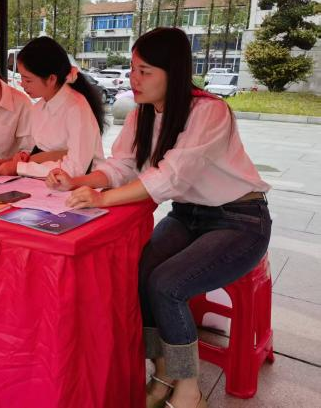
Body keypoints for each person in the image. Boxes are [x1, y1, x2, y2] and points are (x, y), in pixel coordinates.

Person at [46, 28, 271, 408]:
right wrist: (79, 181)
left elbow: (171, 177)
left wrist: (103, 198)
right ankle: (163, 369)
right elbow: (122, 165)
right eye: (133, 69)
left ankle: (188, 389)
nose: (133, 79)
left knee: (167, 284)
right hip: (188, 215)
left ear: (173, 72)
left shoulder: (209, 112)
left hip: (239, 219)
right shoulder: (142, 114)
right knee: (139, 271)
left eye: (144, 71)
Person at [0, 36, 106, 177]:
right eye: (21, 78)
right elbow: (39, 150)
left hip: (79, 184)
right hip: (44, 181)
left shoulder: (76, 108)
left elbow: (74, 169)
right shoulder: (39, 107)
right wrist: (19, 158)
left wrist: (20, 168)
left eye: (28, 80)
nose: (22, 84)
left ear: (51, 79)